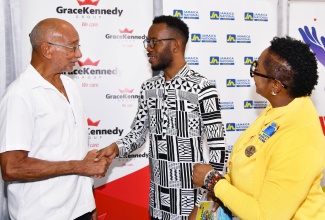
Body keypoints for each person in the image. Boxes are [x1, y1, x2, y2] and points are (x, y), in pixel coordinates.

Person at [95, 15, 227, 220]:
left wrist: (204, 205)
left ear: (175, 45)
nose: (148, 48)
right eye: (147, 42)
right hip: (157, 205)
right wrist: (116, 147)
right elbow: (138, 134)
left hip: (192, 208)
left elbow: (218, 150)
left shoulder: (203, 88)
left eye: (154, 42)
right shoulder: (149, 88)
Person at [192, 36, 325, 219]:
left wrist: (213, 181)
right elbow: (250, 160)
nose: (253, 74)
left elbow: (266, 216)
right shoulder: (281, 108)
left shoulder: (299, 139)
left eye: (257, 70)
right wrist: (224, 191)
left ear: (275, 86)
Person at [0, 18, 110, 220]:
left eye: (78, 47)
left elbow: (75, 150)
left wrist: (89, 202)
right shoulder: (20, 95)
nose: (79, 54)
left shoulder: (71, 86)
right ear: (47, 49)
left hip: (79, 209)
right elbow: (11, 167)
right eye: (72, 47)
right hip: (41, 215)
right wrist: (79, 166)